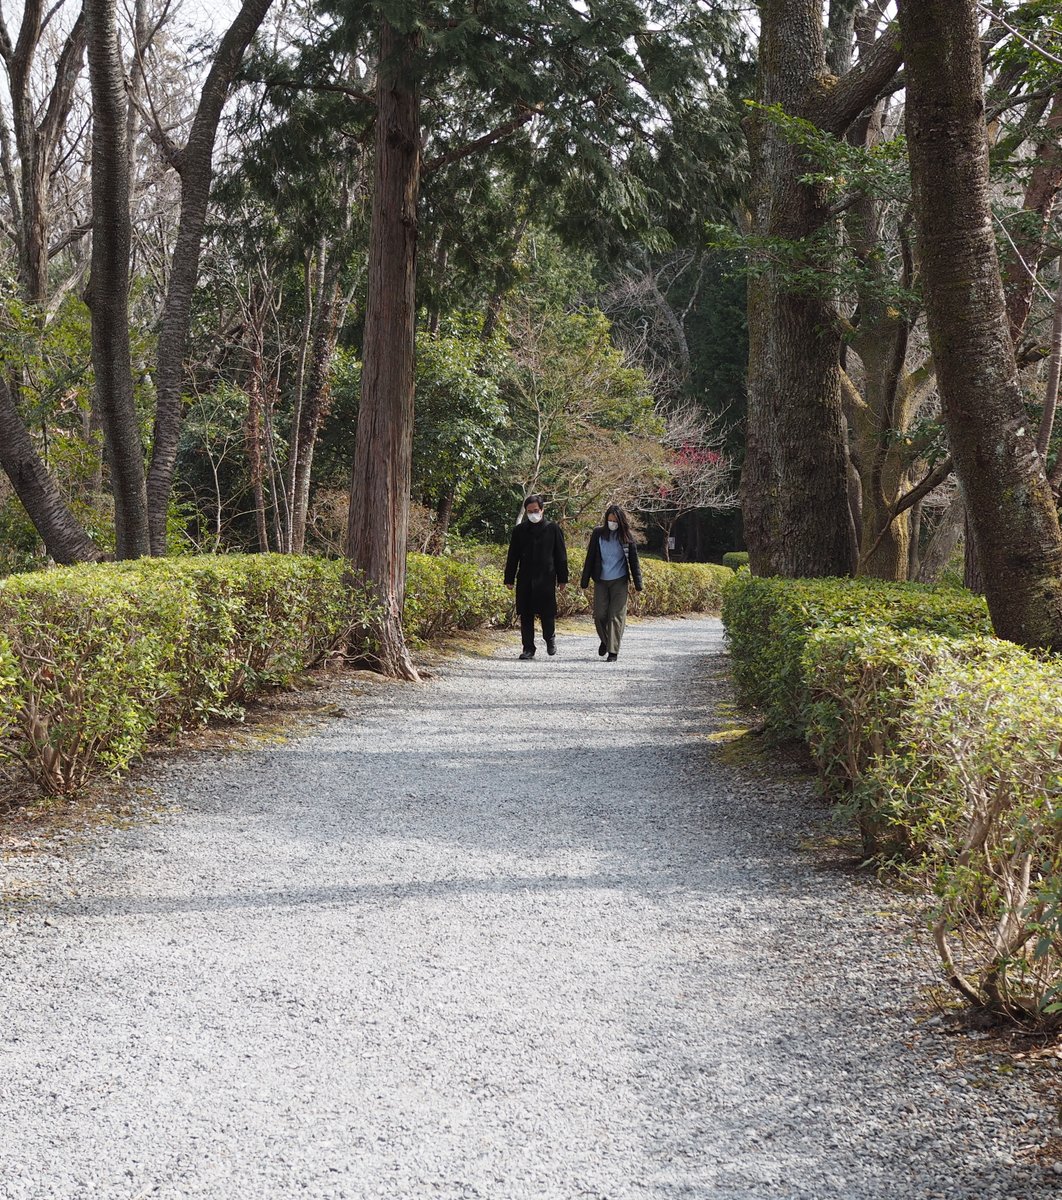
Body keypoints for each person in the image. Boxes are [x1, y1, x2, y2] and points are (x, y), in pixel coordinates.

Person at [504, 495, 569, 660]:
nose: (533, 514)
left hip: (546, 578)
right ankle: (528, 648)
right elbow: (513, 556)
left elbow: (561, 555)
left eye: (536, 511)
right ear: (525, 512)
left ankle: (550, 638)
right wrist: (509, 578)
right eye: (529, 511)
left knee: (547, 613)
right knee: (525, 614)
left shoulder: (553, 528)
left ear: (542, 510)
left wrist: (562, 578)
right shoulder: (519, 531)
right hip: (525, 577)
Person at [580, 504, 642, 662]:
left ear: (621, 521)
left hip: (620, 581)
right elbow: (590, 557)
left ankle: (613, 651)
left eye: (615, 520)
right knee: (599, 614)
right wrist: (585, 580)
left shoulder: (627, 537)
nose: (612, 523)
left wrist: (638, 583)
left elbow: (634, 562)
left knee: (616, 616)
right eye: (609, 520)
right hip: (601, 580)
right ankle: (606, 640)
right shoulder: (598, 534)